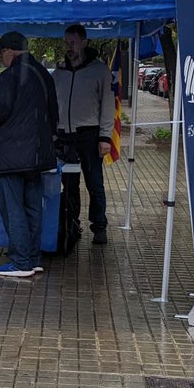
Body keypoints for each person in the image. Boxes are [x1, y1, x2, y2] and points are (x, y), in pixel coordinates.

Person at [0, 31, 58, 279]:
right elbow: (54, 114)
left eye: (1, 53)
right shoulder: (45, 75)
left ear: (10, 51)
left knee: (13, 209)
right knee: (33, 207)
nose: (1, 58)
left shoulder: (9, 76)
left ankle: (21, 262)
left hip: (12, 155)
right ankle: (33, 259)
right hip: (38, 155)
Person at [52, 24, 113, 245]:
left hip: (89, 135)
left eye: (73, 42)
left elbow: (107, 105)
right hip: (64, 136)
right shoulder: (58, 73)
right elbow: (53, 105)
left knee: (94, 182)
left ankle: (99, 226)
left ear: (84, 42)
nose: (69, 47)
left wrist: (105, 137)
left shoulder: (99, 71)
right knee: (69, 184)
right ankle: (71, 223)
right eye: (66, 42)